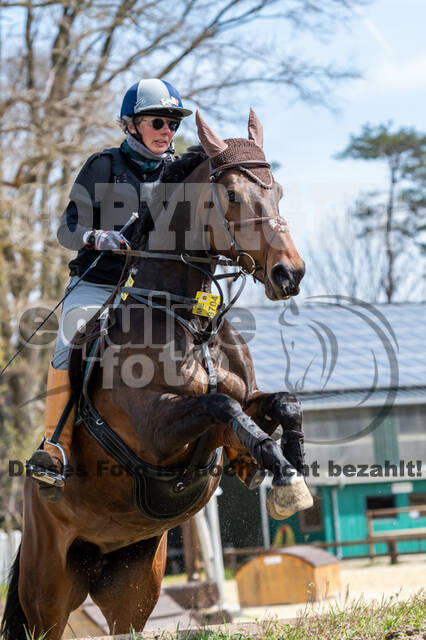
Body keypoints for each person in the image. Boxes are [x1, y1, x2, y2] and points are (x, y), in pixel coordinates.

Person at [27, 78, 192, 502]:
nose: (167, 131)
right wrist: (94, 237)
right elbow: (66, 229)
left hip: (151, 292)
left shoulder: (178, 176)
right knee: (68, 343)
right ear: (132, 125)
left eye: (172, 123)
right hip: (97, 284)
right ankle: (54, 448)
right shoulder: (102, 166)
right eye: (158, 121)